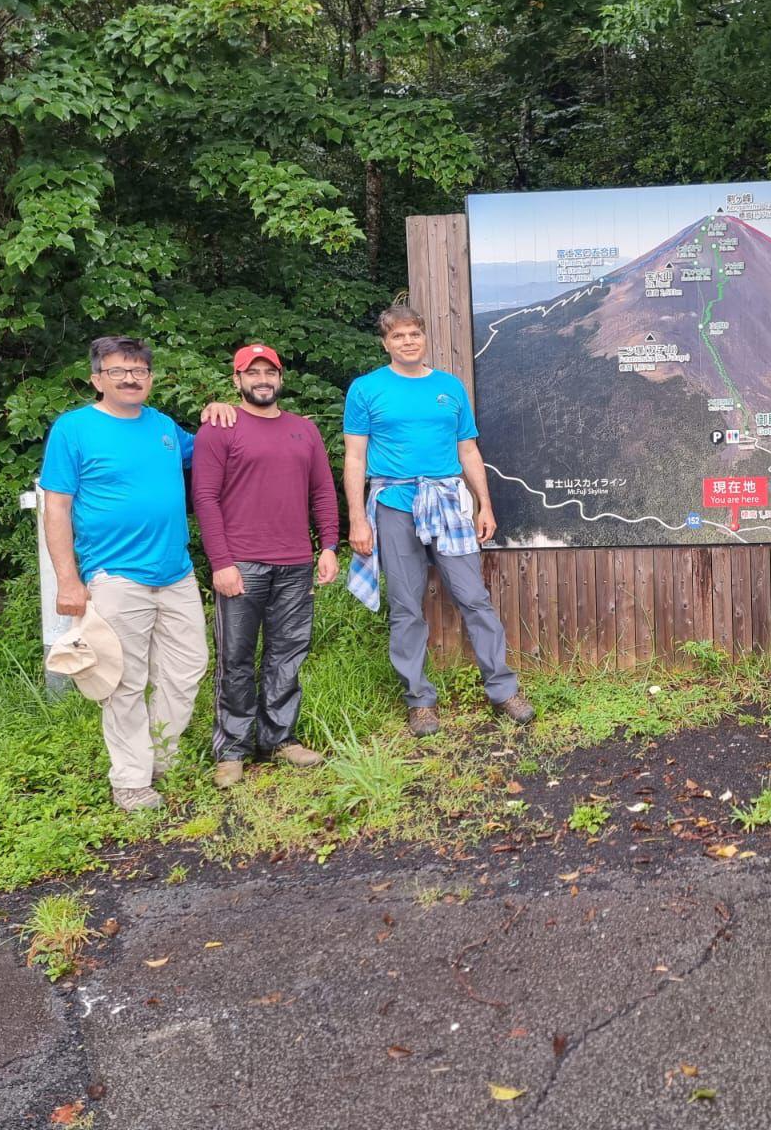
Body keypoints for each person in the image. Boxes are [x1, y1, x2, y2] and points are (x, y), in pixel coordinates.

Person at [344, 304, 534, 733]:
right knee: (406, 605)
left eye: (414, 333)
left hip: (448, 500)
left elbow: (468, 450)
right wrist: (358, 518)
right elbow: (355, 457)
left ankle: (503, 689)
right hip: (394, 503)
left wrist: (484, 503)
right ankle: (419, 700)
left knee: (473, 596)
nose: (407, 341)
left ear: (424, 337)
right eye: (398, 336)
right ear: (385, 343)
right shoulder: (366, 389)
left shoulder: (449, 388)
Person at [41, 336, 209, 812]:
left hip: (175, 571)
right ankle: (131, 780)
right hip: (114, 575)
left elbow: (211, 452)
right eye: (118, 371)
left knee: (187, 668)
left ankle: (161, 757)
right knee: (124, 680)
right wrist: (68, 581)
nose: (131, 378)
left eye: (139, 371)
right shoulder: (74, 429)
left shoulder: (163, 427)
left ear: (150, 379)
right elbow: (56, 507)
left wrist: (221, 409)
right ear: (97, 379)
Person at [192, 344, 339, 788]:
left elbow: (323, 492)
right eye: (251, 372)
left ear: (280, 378)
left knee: (287, 654)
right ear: (236, 381)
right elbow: (205, 499)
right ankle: (232, 750)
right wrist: (221, 562)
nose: (261, 379)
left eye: (268, 371)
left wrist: (328, 545)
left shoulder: (303, 430)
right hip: (241, 563)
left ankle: (279, 739)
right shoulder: (220, 428)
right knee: (235, 659)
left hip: (295, 562)